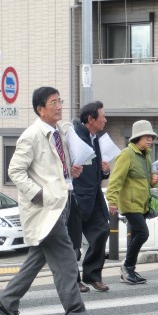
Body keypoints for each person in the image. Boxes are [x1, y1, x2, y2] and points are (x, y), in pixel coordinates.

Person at [0, 86, 103, 315]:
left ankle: (6, 301)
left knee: (37, 259)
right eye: (53, 102)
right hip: (45, 208)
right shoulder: (31, 135)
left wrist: (71, 172)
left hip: (60, 204)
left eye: (60, 100)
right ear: (40, 109)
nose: (59, 106)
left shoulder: (58, 133)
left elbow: (57, 169)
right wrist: (39, 194)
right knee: (66, 261)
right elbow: (15, 171)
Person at [106, 120, 158, 285]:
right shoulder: (126, 154)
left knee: (137, 235)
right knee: (143, 233)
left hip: (142, 203)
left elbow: (144, 181)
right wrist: (112, 200)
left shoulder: (146, 155)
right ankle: (127, 266)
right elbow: (116, 179)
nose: (149, 139)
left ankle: (130, 270)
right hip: (130, 204)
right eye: (146, 136)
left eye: (151, 136)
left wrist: (153, 180)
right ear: (137, 137)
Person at [67, 101, 110, 293]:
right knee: (72, 242)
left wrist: (105, 172)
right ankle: (73, 280)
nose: (105, 120)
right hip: (76, 196)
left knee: (102, 231)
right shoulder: (74, 136)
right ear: (91, 119)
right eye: (102, 116)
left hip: (94, 195)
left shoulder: (95, 137)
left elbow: (95, 169)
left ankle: (92, 275)